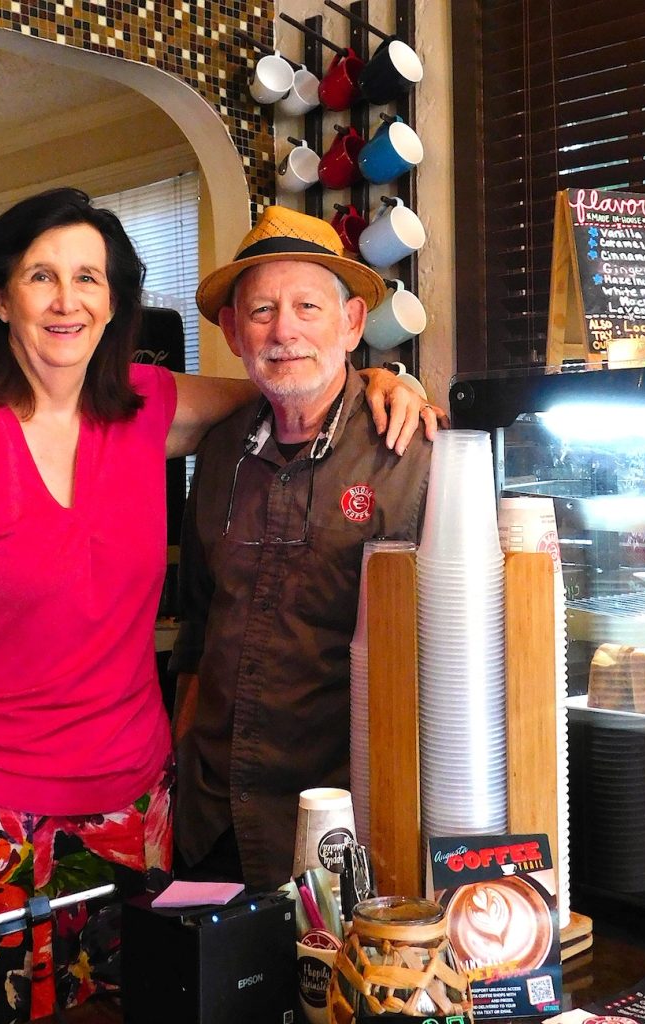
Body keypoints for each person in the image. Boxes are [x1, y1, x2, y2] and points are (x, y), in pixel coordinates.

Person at [0, 188, 435, 1023]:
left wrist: (380, 373)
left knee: (145, 1010)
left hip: (138, 810)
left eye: (89, 278)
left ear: (114, 301)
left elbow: (288, 384)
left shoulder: (141, 405)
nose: (66, 300)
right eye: (41, 276)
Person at [171, 206, 434, 891]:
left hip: (347, 832)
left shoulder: (411, 453)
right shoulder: (220, 451)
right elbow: (199, 631)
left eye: (307, 307)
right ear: (233, 332)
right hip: (211, 821)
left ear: (350, 324)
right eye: (260, 311)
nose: (283, 330)